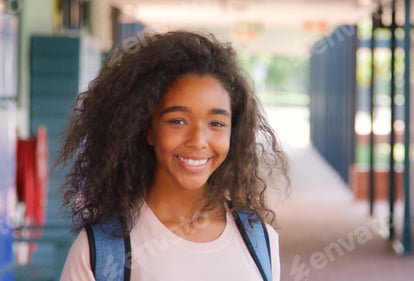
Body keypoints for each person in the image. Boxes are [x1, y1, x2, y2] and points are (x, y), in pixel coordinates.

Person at [57, 30, 289, 281]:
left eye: (217, 124)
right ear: (148, 130)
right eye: (178, 121)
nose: (198, 141)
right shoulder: (101, 253)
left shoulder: (259, 241)